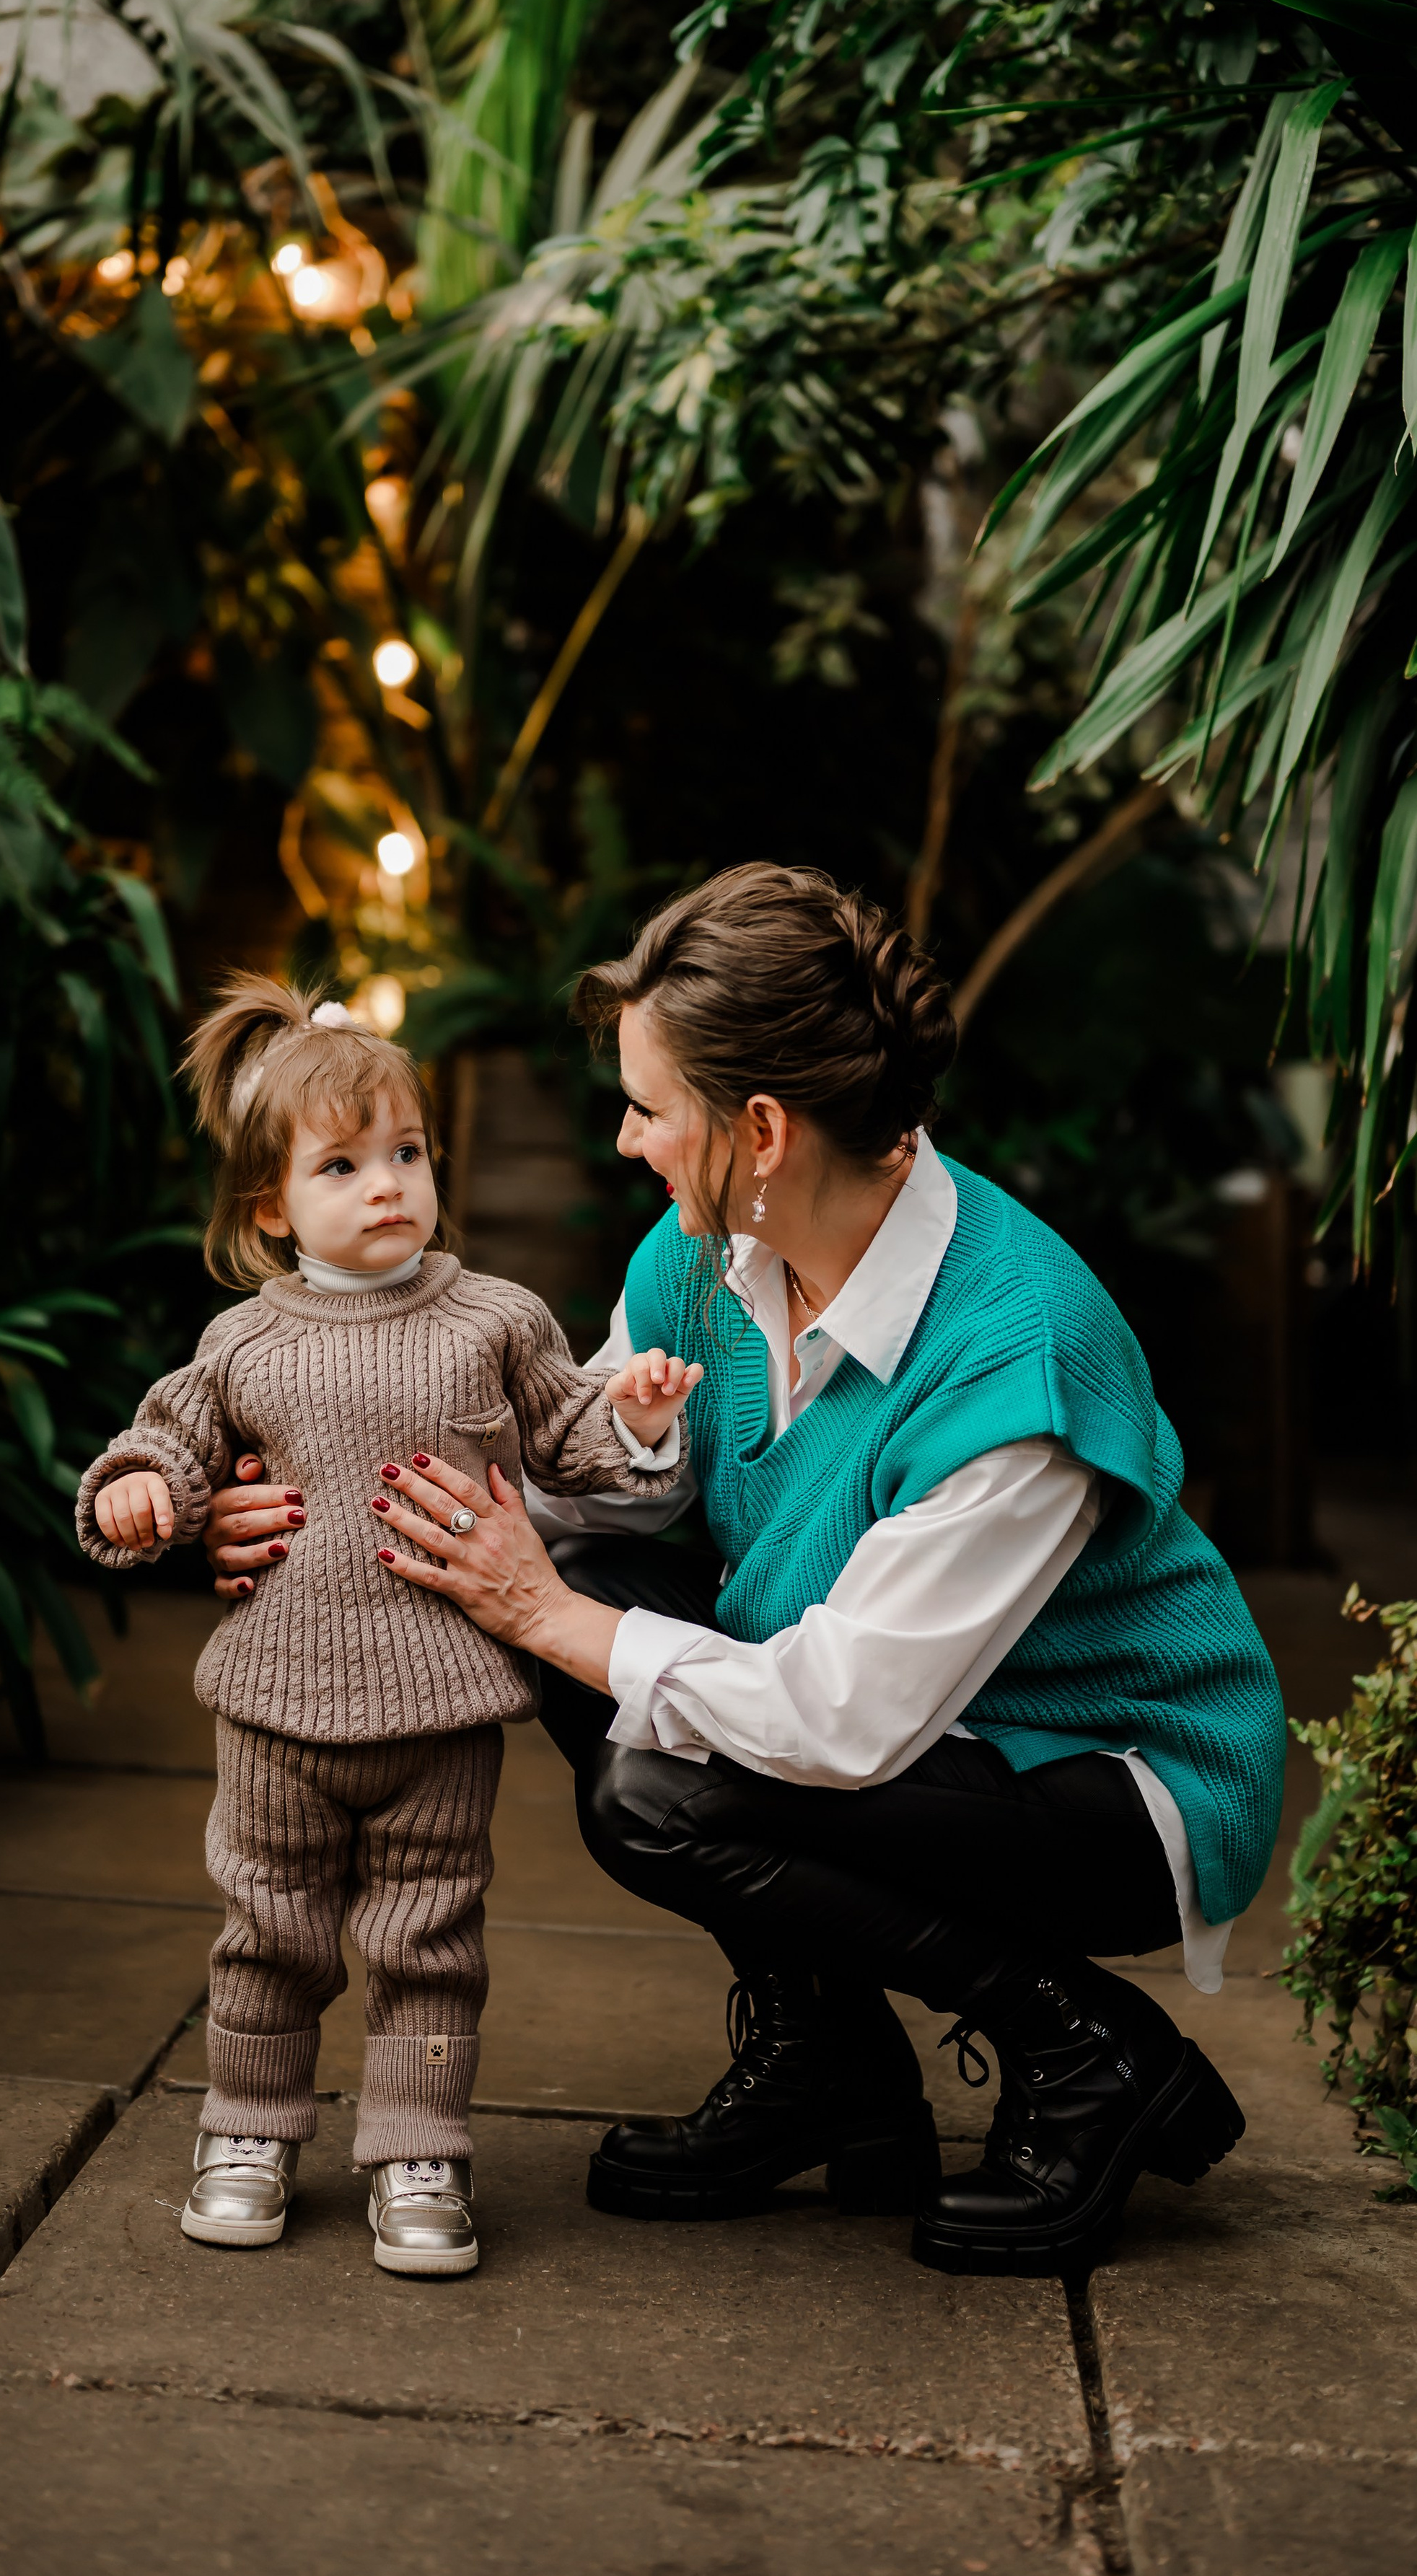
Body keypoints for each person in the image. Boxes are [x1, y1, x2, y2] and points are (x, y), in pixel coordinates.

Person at [201, 868, 1286, 2279]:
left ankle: (1085, 2047)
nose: (625, 1137)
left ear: (760, 1130)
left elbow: (840, 1719)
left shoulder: (1014, 1359)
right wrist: (295, 1512)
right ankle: (830, 2063)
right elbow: (557, 1482)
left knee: (655, 1783)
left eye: (650, 1108)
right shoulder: (706, 1258)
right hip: (905, 1717)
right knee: (569, 1580)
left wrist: (548, 1611)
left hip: (1111, 1778)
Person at [78, 975, 696, 2277]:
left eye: (407, 1154)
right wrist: (142, 1491)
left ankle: (421, 2149)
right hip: (276, 1708)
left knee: (430, 1940)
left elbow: (567, 1439)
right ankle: (247, 2129)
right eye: (343, 1166)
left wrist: (635, 1416)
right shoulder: (242, 1342)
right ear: (271, 1206)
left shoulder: (496, 1320)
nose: (387, 1187)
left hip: (443, 1709)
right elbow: (172, 1442)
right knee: (269, 1931)